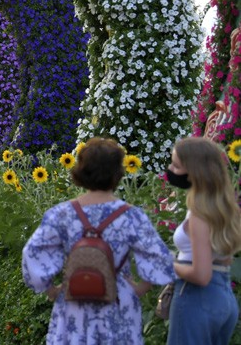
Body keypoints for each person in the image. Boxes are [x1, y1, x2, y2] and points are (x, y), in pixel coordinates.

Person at [22, 137, 174, 343]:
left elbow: (32, 254)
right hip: (118, 303)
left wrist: (51, 290)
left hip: (73, 302)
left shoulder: (62, 214)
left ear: (81, 170)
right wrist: (137, 290)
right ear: (117, 173)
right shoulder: (132, 216)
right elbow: (160, 258)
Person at [165, 137, 241, 344]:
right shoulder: (224, 208)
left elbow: (201, 275)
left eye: (176, 165)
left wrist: (168, 263)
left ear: (194, 171)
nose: (170, 169)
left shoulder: (199, 212)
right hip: (224, 297)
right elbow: (224, 259)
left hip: (197, 298)